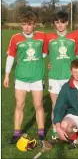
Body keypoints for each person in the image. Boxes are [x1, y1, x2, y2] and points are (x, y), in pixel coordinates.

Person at [4, 10, 47, 144]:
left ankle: (41, 134)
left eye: (30, 24)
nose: (27, 27)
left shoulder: (42, 37)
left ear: (34, 25)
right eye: (24, 24)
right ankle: (16, 133)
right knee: (19, 105)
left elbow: (44, 54)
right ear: (21, 25)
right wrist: (6, 75)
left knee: (38, 105)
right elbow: (11, 57)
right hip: (21, 78)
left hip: (37, 78)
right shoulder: (15, 38)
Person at [44, 11, 76, 141]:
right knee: (55, 105)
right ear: (54, 23)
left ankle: (71, 129)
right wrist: (47, 65)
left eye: (62, 22)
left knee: (71, 105)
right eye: (57, 22)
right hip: (54, 76)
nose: (60, 25)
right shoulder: (49, 38)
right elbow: (41, 55)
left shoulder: (73, 38)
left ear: (67, 22)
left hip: (69, 77)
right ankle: (55, 130)